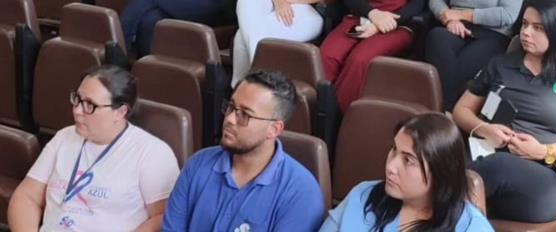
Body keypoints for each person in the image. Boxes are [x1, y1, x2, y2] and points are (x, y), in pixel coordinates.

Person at [452, 0, 556, 224]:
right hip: (487, 164)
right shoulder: (501, 64)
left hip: (547, 181)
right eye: (524, 24)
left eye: (538, 28)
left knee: (491, 169)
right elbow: (461, 110)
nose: (526, 32)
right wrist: (485, 129)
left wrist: (544, 151)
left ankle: (442, 197)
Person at [8, 65, 180, 232]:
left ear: (120, 112)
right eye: (77, 99)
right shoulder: (64, 137)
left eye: (90, 105)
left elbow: (163, 217)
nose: (77, 110)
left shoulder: (152, 153)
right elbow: (27, 196)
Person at [162, 70, 326, 232]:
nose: (230, 119)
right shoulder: (197, 164)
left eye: (245, 115)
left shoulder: (301, 192)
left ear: (274, 129)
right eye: (231, 107)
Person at [320, 113, 493, 232]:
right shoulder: (363, 195)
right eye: (394, 149)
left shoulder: (471, 227)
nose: (391, 166)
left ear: (441, 172)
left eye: (408, 160)